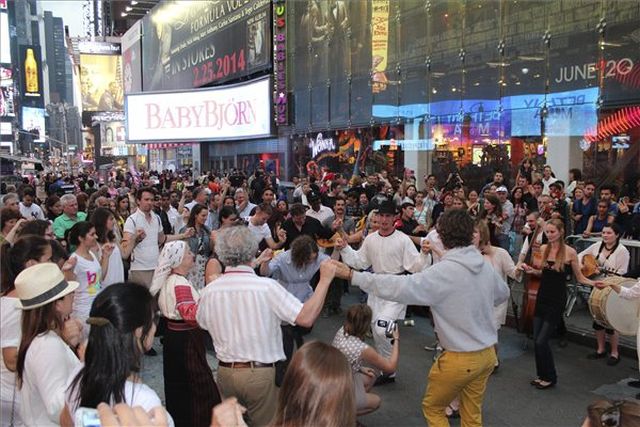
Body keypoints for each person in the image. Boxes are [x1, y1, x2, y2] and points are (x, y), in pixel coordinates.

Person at [333, 209, 509, 426]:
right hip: (487, 356)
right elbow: (503, 294)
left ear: (442, 236)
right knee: (471, 412)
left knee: (433, 409)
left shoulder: (443, 273)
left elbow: (399, 286)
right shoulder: (483, 265)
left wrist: (353, 276)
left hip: (459, 359)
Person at [196, 226, 336, 426]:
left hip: (225, 373)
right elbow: (305, 318)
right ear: (253, 251)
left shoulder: (210, 291)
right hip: (259, 373)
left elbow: (202, 322)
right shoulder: (266, 288)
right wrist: (324, 282)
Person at [335, 200, 431, 385]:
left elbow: (415, 266)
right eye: (382, 215)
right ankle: (387, 368)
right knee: (377, 329)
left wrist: (424, 254)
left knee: (382, 327)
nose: (384, 219)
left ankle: (388, 368)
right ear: (377, 217)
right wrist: (345, 248)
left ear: (395, 218)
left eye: (388, 216)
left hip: (397, 289)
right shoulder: (371, 239)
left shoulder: (403, 239)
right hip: (376, 287)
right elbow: (359, 262)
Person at [61, 283, 173, 427]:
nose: (155, 327)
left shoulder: (79, 373)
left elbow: (66, 421)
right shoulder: (145, 402)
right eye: (154, 319)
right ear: (139, 331)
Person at [521, 219, 600, 390]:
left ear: (561, 231)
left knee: (542, 340)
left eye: (552, 232)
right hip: (542, 297)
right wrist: (531, 270)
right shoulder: (543, 249)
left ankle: (550, 377)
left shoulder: (571, 252)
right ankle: (542, 375)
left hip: (557, 300)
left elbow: (580, 278)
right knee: (537, 339)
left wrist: (595, 284)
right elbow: (543, 273)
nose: (549, 235)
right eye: (547, 232)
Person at [149, 242, 221, 426]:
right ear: (179, 259)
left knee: (178, 384)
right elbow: (190, 314)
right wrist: (211, 292)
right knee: (198, 386)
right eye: (188, 252)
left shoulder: (172, 280)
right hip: (186, 340)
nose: (192, 255)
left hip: (175, 338)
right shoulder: (180, 283)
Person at [15, 263, 83, 426]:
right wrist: (87, 365)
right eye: (69, 293)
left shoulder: (38, 338)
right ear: (58, 304)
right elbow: (58, 408)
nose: (73, 296)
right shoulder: (48, 345)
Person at [0, 236, 57, 427]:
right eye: (48, 259)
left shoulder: (25, 300)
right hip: (14, 395)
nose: (53, 264)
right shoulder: (15, 306)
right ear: (31, 264)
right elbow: (10, 360)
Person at [259, 235, 329, 378]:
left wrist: (339, 250)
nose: (311, 261)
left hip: (304, 296)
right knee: (286, 335)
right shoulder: (283, 258)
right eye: (308, 259)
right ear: (298, 256)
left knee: (302, 329)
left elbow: (330, 263)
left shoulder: (317, 257)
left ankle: (299, 360)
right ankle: (282, 369)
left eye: (313, 259)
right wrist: (264, 263)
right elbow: (265, 272)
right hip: (285, 296)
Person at [332, 304, 399, 416]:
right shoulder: (363, 349)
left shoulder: (342, 330)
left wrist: (361, 368)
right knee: (376, 401)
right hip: (340, 384)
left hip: (334, 375)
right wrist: (396, 339)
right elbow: (391, 368)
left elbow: (345, 356)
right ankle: (343, 415)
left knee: (370, 376)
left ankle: (346, 404)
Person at [579, 224, 630, 366]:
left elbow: (623, 273)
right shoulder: (596, 246)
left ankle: (615, 352)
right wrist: (585, 267)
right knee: (597, 320)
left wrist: (603, 273)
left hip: (612, 289)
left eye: (609, 233)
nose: (605, 235)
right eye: (603, 232)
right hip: (596, 287)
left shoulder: (622, 251)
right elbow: (579, 256)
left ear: (617, 235)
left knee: (610, 322)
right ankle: (600, 349)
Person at [122, 188, 194, 289]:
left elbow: (162, 239)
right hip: (140, 269)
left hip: (157, 267)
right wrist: (135, 238)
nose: (150, 202)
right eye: (146, 199)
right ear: (138, 201)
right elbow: (125, 252)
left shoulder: (157, 218)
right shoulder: (131, 220)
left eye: (152, 200)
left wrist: (183, 236)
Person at [67, 221, 113, 330]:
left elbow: (99, 278)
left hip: (96, 305)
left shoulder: (91, 254)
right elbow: (69, 285)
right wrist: (68, 271)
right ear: (81, 238)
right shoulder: (74, 260)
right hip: (83, 310)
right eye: (92, 234)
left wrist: (106, 257)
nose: (96, 237)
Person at [90, 208, 125, 287]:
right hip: (105, 284)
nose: (114, 222)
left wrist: (134, 239)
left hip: (118, 280)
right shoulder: (94, 244)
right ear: (102, 221)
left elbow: (124, 255)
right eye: (111, 219)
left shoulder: (113, 237)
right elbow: (94, 269)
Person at [180, 204, 211, 290]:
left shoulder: (206, 230)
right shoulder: (185, 230)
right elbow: (183, 248)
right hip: (191, 264)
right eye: (203, 215)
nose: (205, 218)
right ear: (196, 215)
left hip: (203, 264)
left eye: (206, 216)